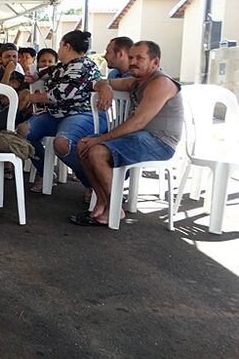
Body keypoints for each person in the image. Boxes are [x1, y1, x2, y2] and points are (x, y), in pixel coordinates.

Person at [73, 41, 184, 226]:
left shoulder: (161, 83)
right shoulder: (135, 81)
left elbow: (138, 122)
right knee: (83, 145)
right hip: (139, 137)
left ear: (155, 62)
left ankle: (115, 209)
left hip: (160, 142)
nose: (133, 62)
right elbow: (101, 82)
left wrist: (100, 139)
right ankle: (102, 200)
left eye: (140, 58)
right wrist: (105, 87)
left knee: (97, 151)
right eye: (131, 57)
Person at [17, 30, 106, 195]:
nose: (58, 49)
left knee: (63, 144)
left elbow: (59, 95)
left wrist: (32, 98)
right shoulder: (63, 66)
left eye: (60, 45)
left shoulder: (82, 66)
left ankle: (92, 183)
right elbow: (48, 71)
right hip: (56, 115)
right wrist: (36, 76)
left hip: (80, 114)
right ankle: (45, 172)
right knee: (24, 131)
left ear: (67, 46)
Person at [0, 43, 32, 129]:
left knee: (27, 93)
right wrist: (7, 73)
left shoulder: (21, 77)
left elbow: (24, 99)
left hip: (14, 115)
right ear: (0, 59)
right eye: (7, 57)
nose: (11, 59)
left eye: (14, 57)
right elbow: (0, 96)